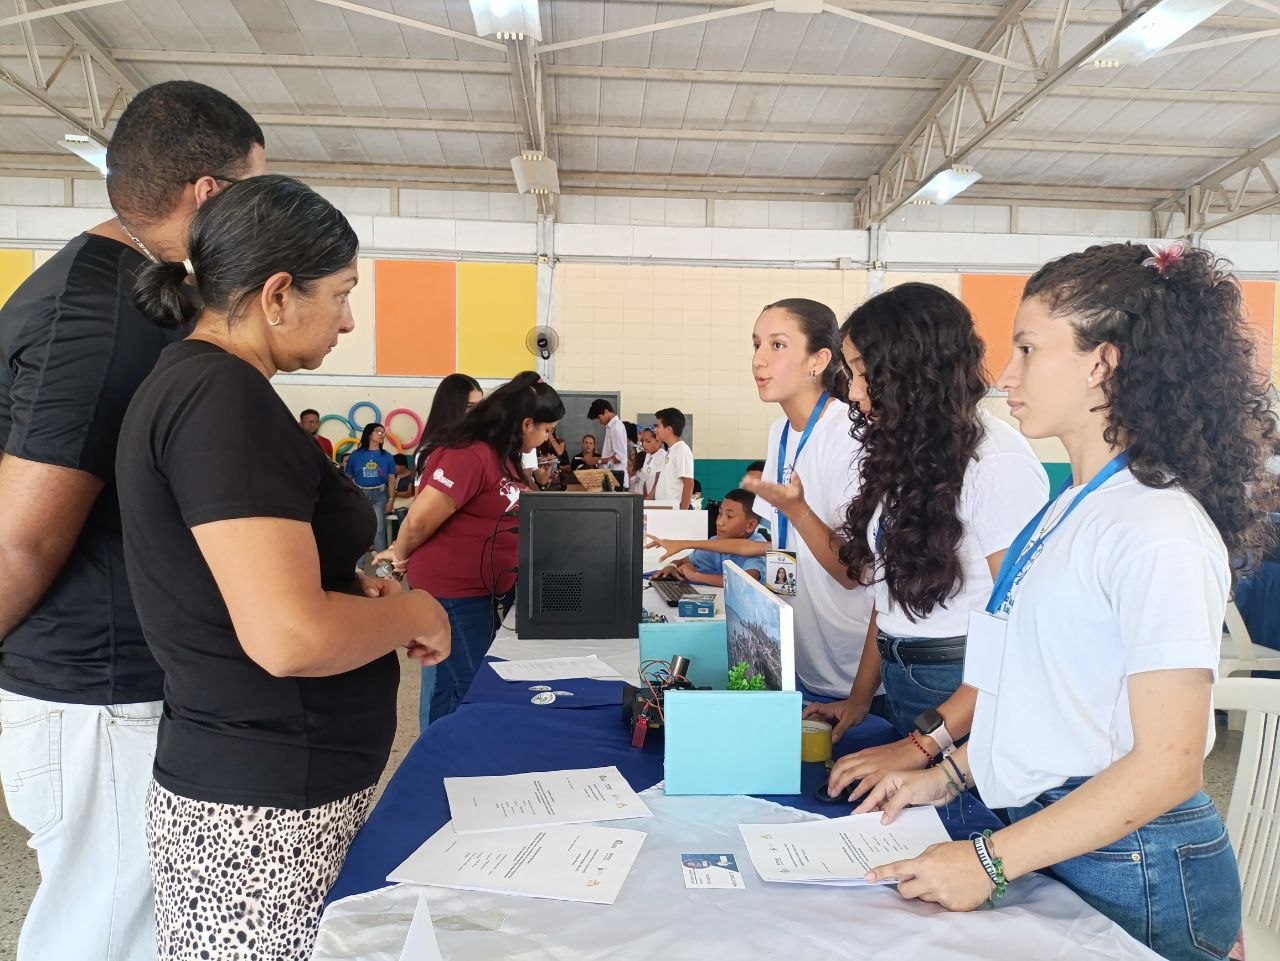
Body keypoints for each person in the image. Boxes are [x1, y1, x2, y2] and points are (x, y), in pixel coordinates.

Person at [854, 242, 1264, 961]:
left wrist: (988, 861)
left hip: (1136, 865)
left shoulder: (1158, 528)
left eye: (1028, 349)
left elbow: (1169, 764)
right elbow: (1044, 702)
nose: (1005, 376)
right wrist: (940, 777)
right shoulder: (1072, 506)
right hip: (1064, 835)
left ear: (1102, 362)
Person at [118, 175, 451, 961]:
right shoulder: (221, 400)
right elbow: (287, 636)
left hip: (261, 790)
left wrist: (347, 590)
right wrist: (414, 612)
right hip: (261, 811)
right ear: (275, 294)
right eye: (338, 295)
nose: (347, 319)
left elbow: (256, 586)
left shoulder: (198, 386)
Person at [0, 81, 265, 961]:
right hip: (95, 693)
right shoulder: (99, 311)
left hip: (122, 685)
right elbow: (24, 534)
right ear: (209, 194)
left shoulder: (140, 295)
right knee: (101, 933)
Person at [758, 284, 1047, 800]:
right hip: (908, 684)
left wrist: (923, 746)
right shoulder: (908, 451)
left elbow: (1026, 634)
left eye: (865, 374)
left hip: (964, 695)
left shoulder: (996, 462)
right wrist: (860, 700)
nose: (856, 392)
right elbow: (888, 596)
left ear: (913, 372)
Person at [377, 372, 565, 729]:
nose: (548, 437)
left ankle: (438, 750)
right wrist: (398, 555)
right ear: (526, 423)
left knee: (451, 683)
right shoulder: (470, 453)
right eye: (546, 429)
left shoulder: (504, 456)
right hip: (452, 591)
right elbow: (418, 521)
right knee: (472, 685)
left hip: (480, 589)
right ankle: (450, 759)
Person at [652, 489, 766, 586]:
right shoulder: (716, 542)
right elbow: (683, 561)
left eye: (730, 516)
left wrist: (696, 576)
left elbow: (745, 582)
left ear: (750, 525)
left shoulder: (758, 548)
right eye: (720, 513)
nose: (719, 522)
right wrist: (672, 566)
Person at [344, 422, 398, 553]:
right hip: (359, 494)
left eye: (383, 432)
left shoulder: (387, 456)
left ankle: (382, 565)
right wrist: (348, 497)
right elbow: (347, 478)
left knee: (379, 529)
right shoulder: (356, 455)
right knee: (360, 528)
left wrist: (391, 499)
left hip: (380, 495)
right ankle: (358, 565)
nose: (382, 434)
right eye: (378, 431)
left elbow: (391, 479)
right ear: (369, 434)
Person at [415, 372, 483, 475]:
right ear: (450, 409)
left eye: (481, 405)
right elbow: (421, 491)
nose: (478, 412)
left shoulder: (484, 442)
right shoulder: (431, 451)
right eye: (469, 406)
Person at [652, 407, 695, 508]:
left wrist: (683, 513)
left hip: (674, 510)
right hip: (666, 509)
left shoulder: (682, 449)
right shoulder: (671, 450)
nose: (655, 430)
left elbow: (688, 484)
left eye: (658, 426)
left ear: (668, 429)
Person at [588, 398, 629, 488]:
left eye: (599, 418)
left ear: (606, 411)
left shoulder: (616, 428)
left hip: (617, 481)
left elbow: (619, 457)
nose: (599, 421)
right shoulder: (610, 427)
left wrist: (598, 460)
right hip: (611, 479)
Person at [634, 425, 666, 497]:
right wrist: (644, 498)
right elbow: (646, 480)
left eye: (648, 441)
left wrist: (647, 502)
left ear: (658, 441)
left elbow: (657, 485)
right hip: (649, 500)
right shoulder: (648, 455)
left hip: (659, 501)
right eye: (642, 441)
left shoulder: (662, 456)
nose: (644, 445)